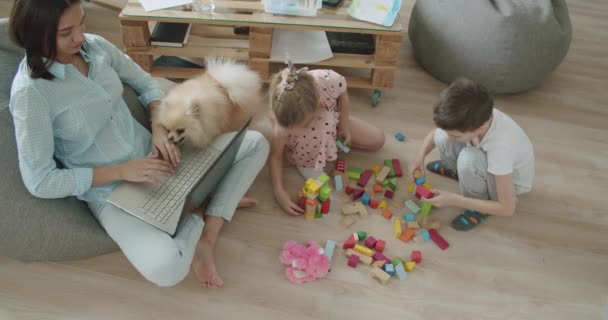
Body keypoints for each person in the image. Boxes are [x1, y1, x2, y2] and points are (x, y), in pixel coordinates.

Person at [9, 0, 269, 288]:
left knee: (256, 143)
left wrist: (158, 129)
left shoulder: (96, 47)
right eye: (65, 32)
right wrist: (122, 171)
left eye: (82, 22)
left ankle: (207, 236)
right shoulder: (30, 95)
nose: (80, 36)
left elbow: (147, 83)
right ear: (37, 35)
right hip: (111, 193)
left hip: (159, 153)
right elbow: (40, 181)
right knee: (166, 269)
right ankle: (199, 207)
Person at [408, 78, 534, 231]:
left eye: (455, 136)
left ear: (481, 128)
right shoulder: (476, 117)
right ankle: (462, 174)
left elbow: (507, 208)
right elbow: (436, 133)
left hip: (507, 186)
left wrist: (455, 200)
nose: (450, 137)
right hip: (485, 161)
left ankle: (479, 205)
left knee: (468, 159)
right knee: (441, 136)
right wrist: (419, 158)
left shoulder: (500, 148)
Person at [268, 62, 385, 215]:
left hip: (332, 121)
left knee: (377, 140)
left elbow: (343, 94)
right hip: (305, 145)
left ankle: (329, 141)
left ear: (316, 104)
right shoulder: (283, 122)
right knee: (310, 136)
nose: (295, 129)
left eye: (303, 125)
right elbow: (276, 156)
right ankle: (305, 162)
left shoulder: (328, 80)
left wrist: (344, 124)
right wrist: (278, 190)